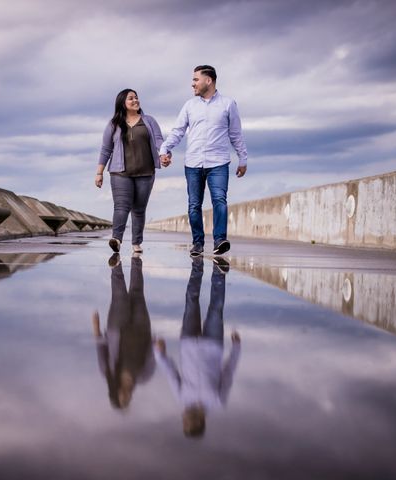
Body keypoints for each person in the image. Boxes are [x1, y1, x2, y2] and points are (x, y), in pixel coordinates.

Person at [159, 65, 248, 257]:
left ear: (209, 80)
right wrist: (165, 149)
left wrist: (243, 158)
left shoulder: (228, 104)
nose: (192, 84)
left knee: (219, 200)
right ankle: (197, 243)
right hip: (193, 163)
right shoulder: (189, 106)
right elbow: (178, 131)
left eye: (195, 80)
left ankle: (220, 240)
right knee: (194, 204)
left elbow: (236, 134)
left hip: (218, 163)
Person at [154, 257, 241, 438]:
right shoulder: (218, 401)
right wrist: (236, 348)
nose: (183, 419)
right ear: (200, 422)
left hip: (188, 341)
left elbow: (171, 373)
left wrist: (159, 354)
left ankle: (197, 266)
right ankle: (219, 272)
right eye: (187, 423)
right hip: (213, 344)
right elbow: (228, 373)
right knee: (216, 307)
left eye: (183, 422)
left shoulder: (182, 399)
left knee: (191, 300)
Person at [96, 89, 169, 254]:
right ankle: (116, 239)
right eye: (131, 98)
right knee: (121, 207)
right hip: (120, 173)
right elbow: (106, 149)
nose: (135, 100)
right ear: (123, 102)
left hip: (146, 172)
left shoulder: (149, 121)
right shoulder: (113, 124)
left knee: (139, 209)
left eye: (136, 97)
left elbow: (159, 141)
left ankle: (136, 242)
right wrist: (99, 172)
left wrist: (164, 155)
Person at [92, 254, 155, 409]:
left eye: (122, 398)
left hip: (117, 328)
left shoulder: (108, 372)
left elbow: (101, 349)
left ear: (115, 392)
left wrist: (96, 327)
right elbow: (152, 355)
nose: (126, 396)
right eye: (127, 400)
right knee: (137, 292)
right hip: (142, 329)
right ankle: (136, 257)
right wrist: (155, 343)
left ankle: (116, 261)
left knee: (119, 294)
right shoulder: (144, 376)